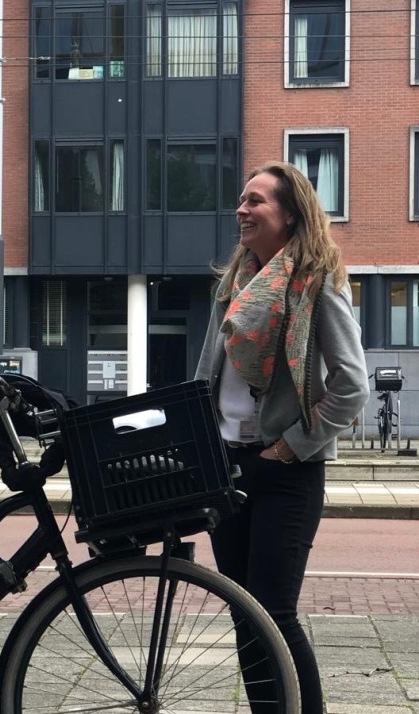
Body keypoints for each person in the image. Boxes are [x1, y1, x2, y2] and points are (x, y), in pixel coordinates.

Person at [195, 161, 369, 713]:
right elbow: (208, 371)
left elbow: (352, 386)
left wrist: (294, 444)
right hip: (228, 465)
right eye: (242, 201)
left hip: (285, 472)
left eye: (255, 201)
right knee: (245, 612)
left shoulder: (317, 285)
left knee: (274, 611)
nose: (241, 210)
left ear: (290, 214)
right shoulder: (235, 284)